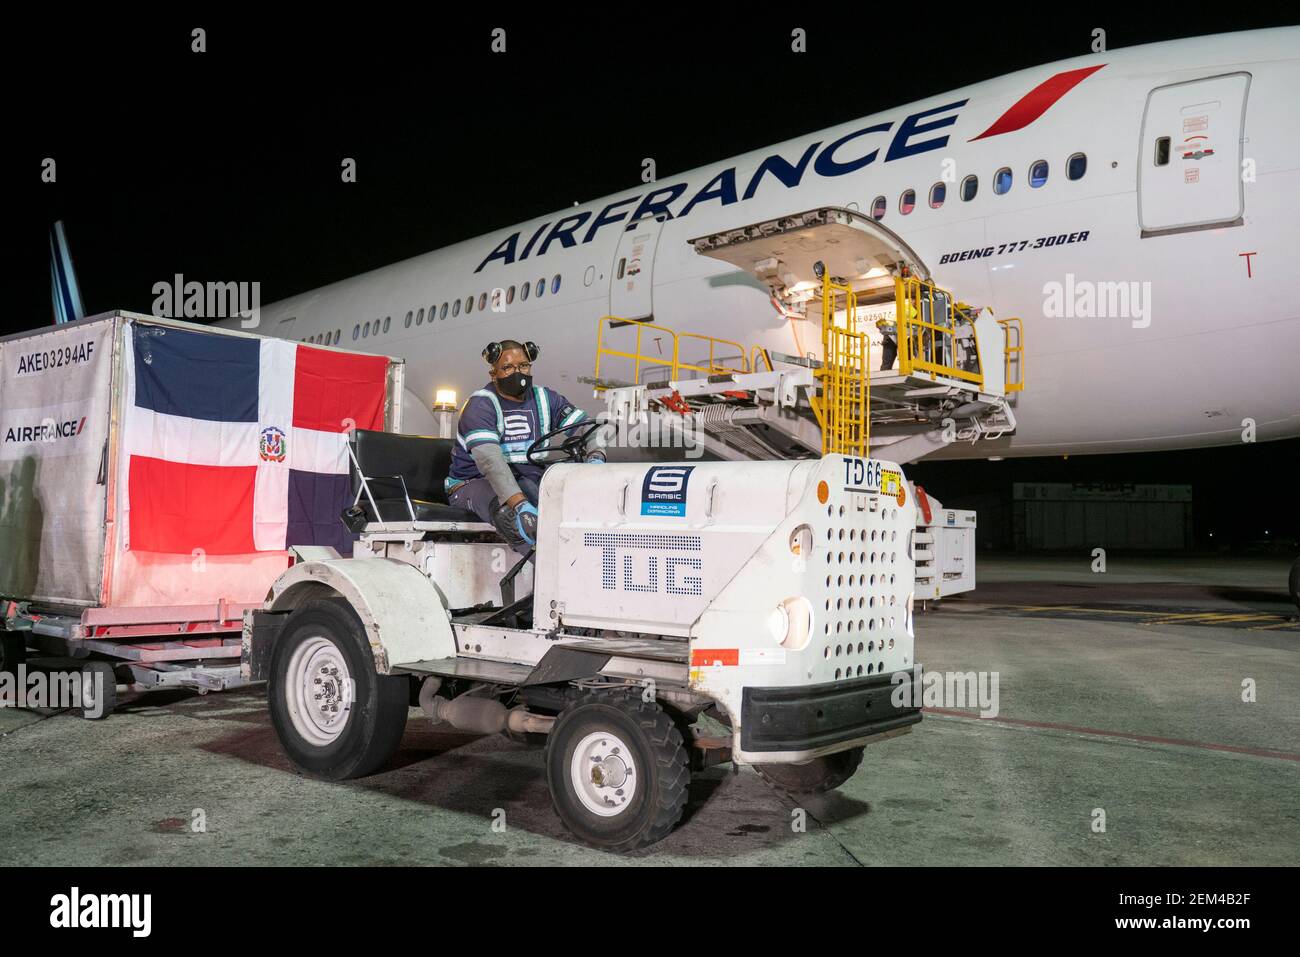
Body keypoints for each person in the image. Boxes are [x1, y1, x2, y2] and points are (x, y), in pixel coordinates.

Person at [445, 339, 604, 555]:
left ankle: (584, 562)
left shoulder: (546, 398)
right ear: (494, 373)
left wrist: (596, 457)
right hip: (473, 483)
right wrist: (519, 505)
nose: (517, 373)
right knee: (509, 513)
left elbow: (588, 429)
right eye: (507, 367)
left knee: (572, 503)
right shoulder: (481, 405)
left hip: (526, 479)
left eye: (523, 366)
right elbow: (491, 462)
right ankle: (546, 575)